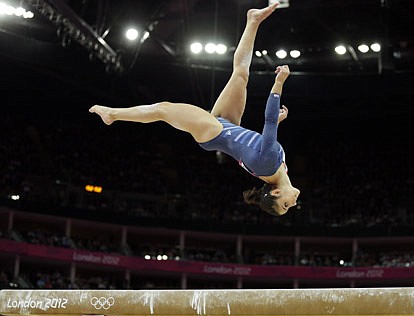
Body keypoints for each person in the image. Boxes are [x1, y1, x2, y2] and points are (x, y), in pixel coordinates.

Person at [89, 2, 300, 216]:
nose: (292, 204)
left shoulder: (270, 165)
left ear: (275, 193)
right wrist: (276, 125)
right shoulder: (279, 170)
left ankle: (112, 114)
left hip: (213, 132)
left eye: (285, 205)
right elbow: (260, 142)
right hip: (227, 125)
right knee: (240, 75)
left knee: (163, 109)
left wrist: (279, 82)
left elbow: (269, 122)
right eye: (288, 206)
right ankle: (253, 20)